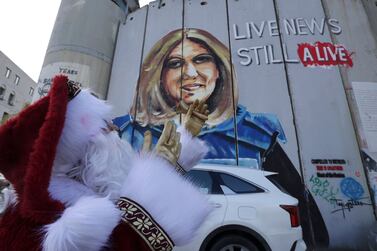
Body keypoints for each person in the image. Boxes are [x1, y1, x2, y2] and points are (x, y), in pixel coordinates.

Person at [113, 28, 329, 247]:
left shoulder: (256, 135)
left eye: (201, 59)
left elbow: (313, 229)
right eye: (175, 63)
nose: (189, 72)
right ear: (159, 75)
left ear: (219, 70)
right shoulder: (127, 132)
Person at [0, 75, 211, 251]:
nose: (116, 129)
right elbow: (129, 242)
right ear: (81, 147)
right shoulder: (57, 218)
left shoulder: (91, 190)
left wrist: (173, 158)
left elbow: (127, 202)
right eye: (106, 126)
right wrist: (159, 174)